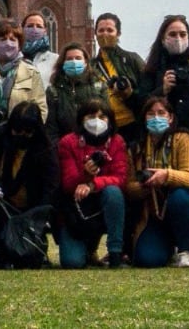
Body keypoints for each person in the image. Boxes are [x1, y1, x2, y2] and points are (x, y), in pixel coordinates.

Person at [125, 96, 189, 268]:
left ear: (171, 117)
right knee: (147, 260)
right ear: (144, 118)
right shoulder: (136, 147)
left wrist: (166, 176)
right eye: (151, 114)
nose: (156, 118)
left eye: (161, 113)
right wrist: (144, 185)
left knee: (182, 196)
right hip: (153, 212)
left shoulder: (184, 139)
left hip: (180, 204)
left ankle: (185, 250)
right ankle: (167, 249)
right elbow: (128, 187)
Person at [0, 101, 59, 269]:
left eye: (27, 132)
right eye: (17, 131)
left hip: (29, 209)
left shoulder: (45, 149)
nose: (21, 136)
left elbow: (50, 186)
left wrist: (38, 217)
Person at [140, 15, 189, 193]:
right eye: (172, 34)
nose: (178, 39)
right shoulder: (152, 68)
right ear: (163, 38)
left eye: (182, 34)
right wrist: (162, 90)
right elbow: (142, 103)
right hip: (165, 143)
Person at [55, 99, 128, 268]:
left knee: (114, 192)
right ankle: (86, 250)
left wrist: (92, 184)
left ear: (110, 120)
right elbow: (67, 184)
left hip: (106, 200)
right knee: (72, 262)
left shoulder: (117, 141)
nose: (97, 121)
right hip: (76, 207)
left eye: (102, 117)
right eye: (91, 116)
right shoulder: (68, 142)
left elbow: (121, 179)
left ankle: (115, 252)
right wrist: (84, 174)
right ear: (81, 119)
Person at [90, 12, 146, 145]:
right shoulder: (91, 66)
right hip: (104, 128)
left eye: (110, 30)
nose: (105, 34)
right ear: (95, 34)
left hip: (133, 126)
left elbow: (148, 92)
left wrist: (130, 94)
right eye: (101, 30)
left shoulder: (132, 59)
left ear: (118, 33)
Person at [45, 42, 107, 145]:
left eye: (78, 58)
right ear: (62, 63)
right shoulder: (53, 91)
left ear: (86, 62)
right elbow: (51, 130)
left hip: (94, 146)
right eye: (69, 59)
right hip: (65, 149)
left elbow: (106, 121)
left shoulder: (99, 88)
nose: (74, 62)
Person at [20, 12, 57, 93]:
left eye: (39, 26)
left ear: (45, 31)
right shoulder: (14, 57)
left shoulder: (55, 59)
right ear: (22, 29)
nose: (34, 29)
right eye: (30, 26)